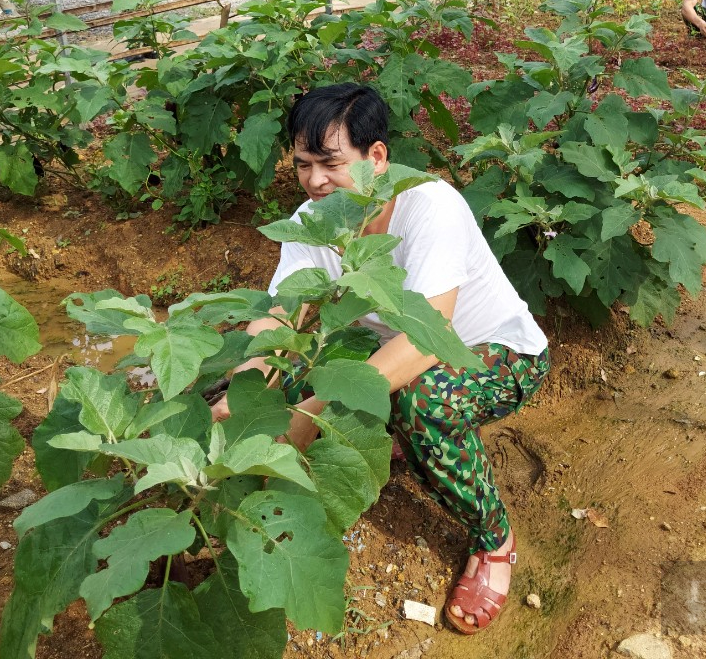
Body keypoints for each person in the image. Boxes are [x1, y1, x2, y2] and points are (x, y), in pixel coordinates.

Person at [210, 84, 550, 635]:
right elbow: (283, 312)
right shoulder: (312, 220)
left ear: (377, 158)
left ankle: (493, 535)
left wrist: (313, 407)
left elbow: (427, 337)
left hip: (496, 354)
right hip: (385, 346)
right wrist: (250, 386)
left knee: (421, 400)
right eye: (302, 164)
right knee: (283, 373)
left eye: (331, 163)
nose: (316, 180)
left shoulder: (430, 203)